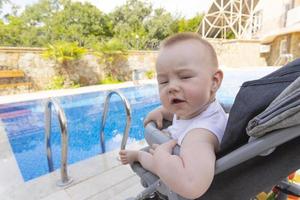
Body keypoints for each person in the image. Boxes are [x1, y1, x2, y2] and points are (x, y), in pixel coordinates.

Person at [119, 32, 228, 199]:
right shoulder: (197, 107)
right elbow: (183, 112)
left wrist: (162, 158)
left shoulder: (200, 135)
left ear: (214, 81)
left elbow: (192, 185)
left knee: (152, 157)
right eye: (163, 81)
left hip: (172, 160)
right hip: (175, 145)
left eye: (184, 77)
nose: (171, 87)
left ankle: (139, 156)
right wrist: (162, 111)